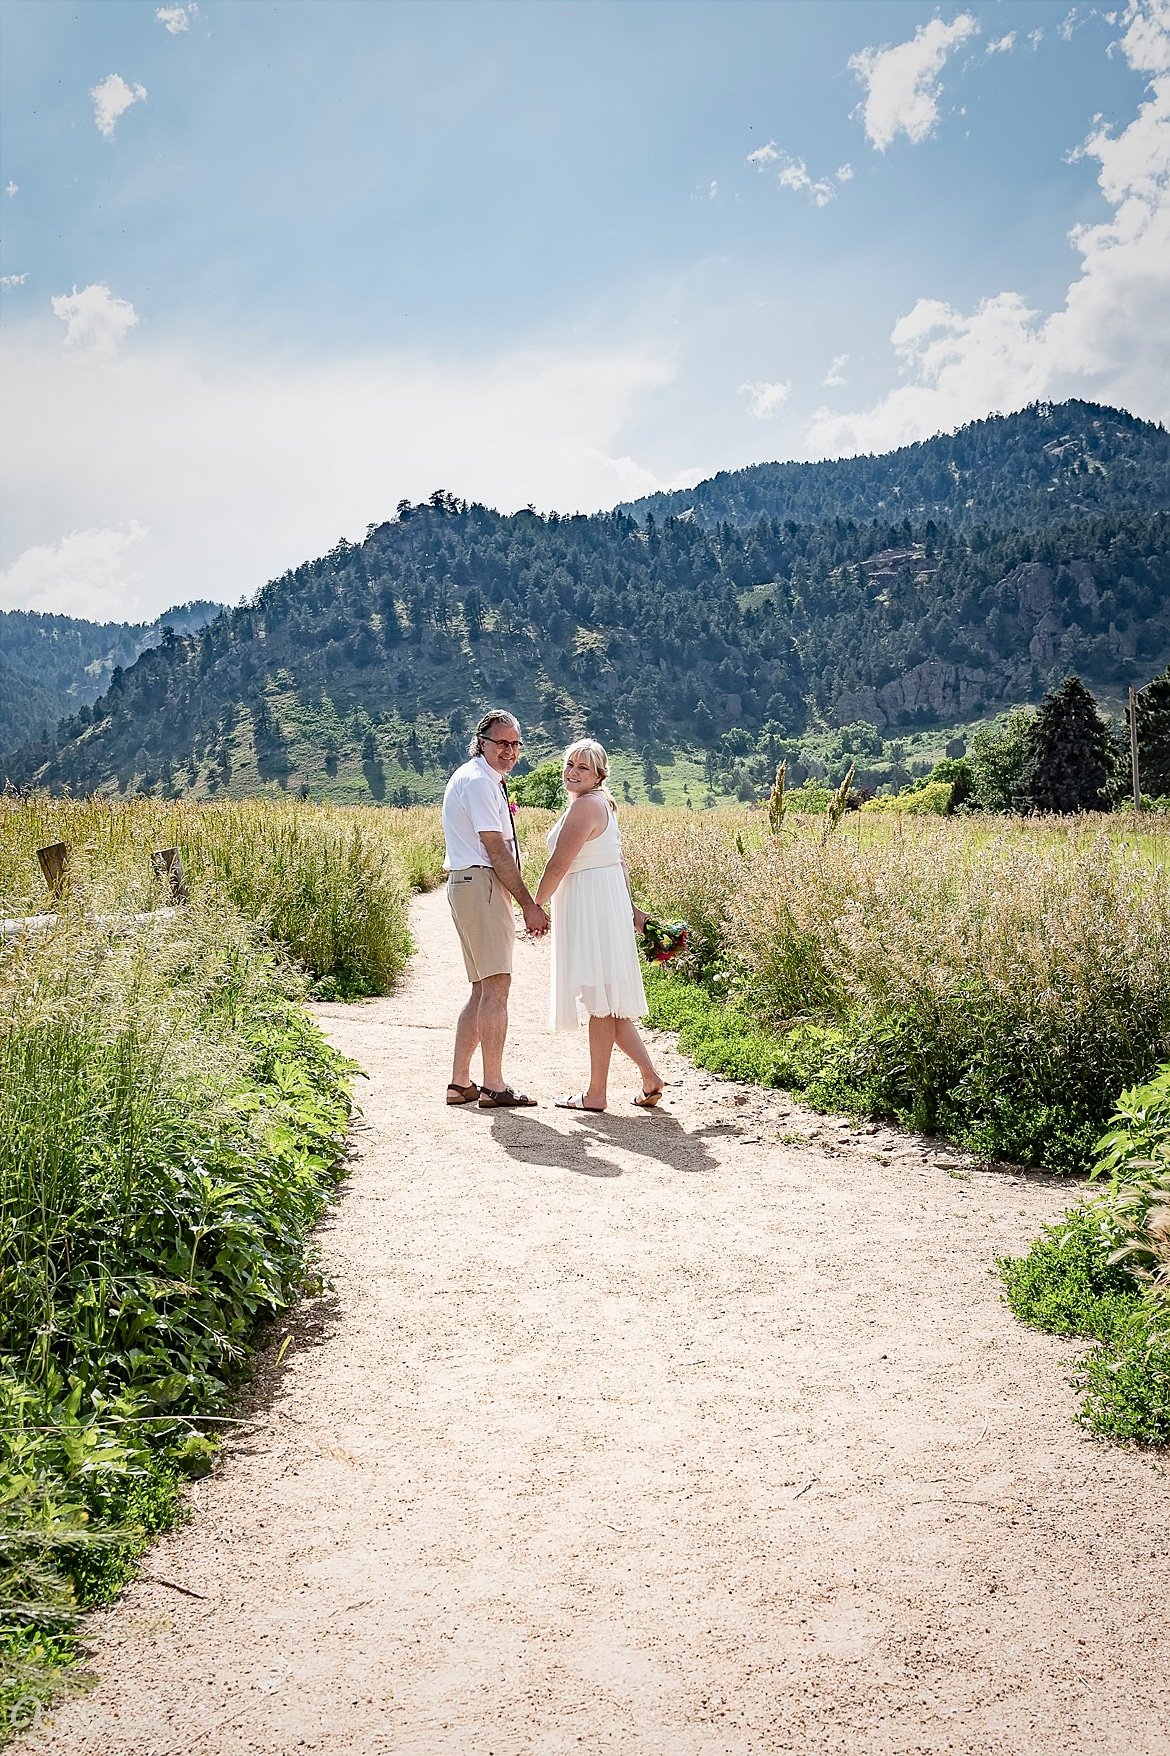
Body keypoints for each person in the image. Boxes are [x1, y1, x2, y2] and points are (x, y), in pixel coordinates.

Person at [534, 738, 664, 1113]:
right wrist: (633, 910)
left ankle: (595, 1094)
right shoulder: (600, 803)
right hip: (603, 903)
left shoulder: (586, 807)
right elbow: (616, 861)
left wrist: (534, 905)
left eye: (583, 768)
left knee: (601, 1004)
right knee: (608, 1003)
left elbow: (558, 864)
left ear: (599, 775)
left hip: (592, 907)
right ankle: (651, 1078)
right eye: (570, 764)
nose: (572, 772)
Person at [442, 709, 548, 1109]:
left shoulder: (473, 777)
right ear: (481, 741)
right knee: (497, 986)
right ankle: (494, 1086)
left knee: (482, 988)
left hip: (466, 884)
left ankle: (460, 1083)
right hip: (482, 883)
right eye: (502, 742)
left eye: (515, 743)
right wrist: (528, 905)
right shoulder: (481, 783)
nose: (509, 750)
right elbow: (495, 847)